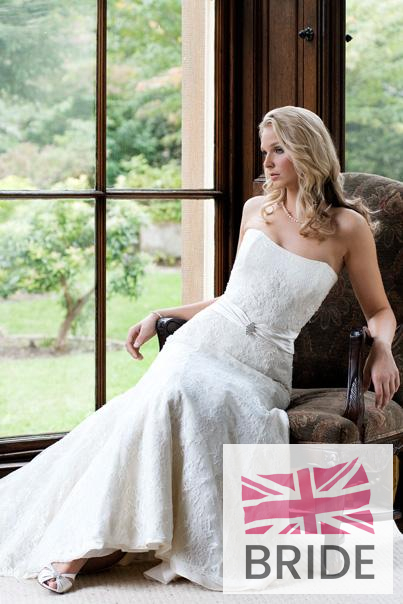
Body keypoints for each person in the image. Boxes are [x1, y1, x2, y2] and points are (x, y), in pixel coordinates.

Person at [0, 106, 400, 594]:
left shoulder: (347, 227)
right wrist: (162, 312)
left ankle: (106, 536)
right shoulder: (256, 210)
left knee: (180, 399)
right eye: (264, 151)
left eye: (278, 150)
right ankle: (81, 548)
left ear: (308, 151)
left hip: (263, 366)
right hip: (205, 342)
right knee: (171, 393)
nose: (267, 162)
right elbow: (235, 298)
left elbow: (379, 309)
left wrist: (382, 348)